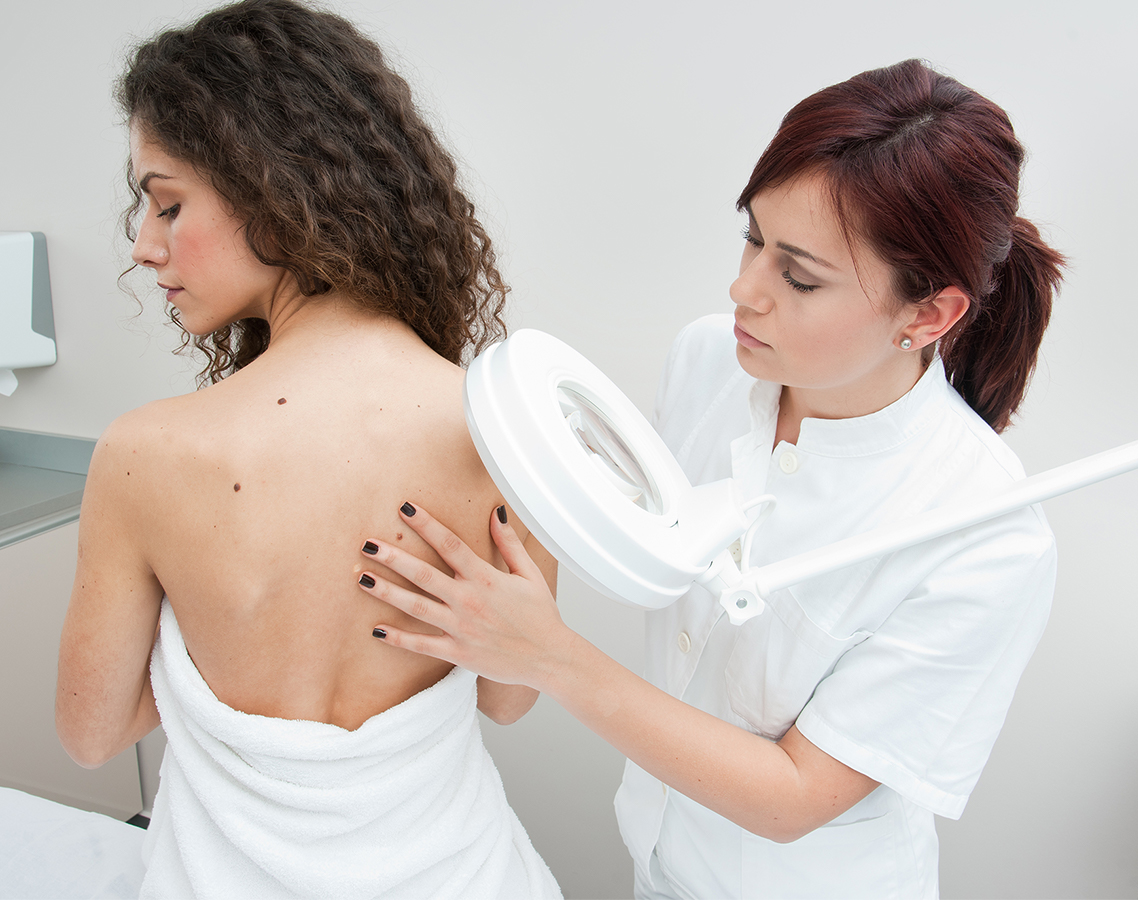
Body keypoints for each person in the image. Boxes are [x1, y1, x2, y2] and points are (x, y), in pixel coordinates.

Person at [354, 59, 1064, 898]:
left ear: (930, 314)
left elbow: (796, 797)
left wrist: (550, 656)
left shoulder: (985, 535)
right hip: (657, 861)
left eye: (799, 276)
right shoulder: (707, 361)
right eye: (753, 238)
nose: (743, 289)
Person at [54, 1, 561, 897]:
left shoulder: (148, 455)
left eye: (167, 203)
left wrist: (218, 639)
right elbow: (513, 696)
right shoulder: (508, 426)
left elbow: (92, 734)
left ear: (274, 192)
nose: (143, 246)